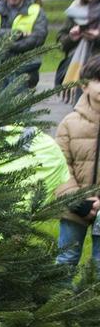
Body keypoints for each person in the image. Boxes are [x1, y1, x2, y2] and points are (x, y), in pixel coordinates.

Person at [54, 56, 100, 274]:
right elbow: (60, 167)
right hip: (74, 205)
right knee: (66, 259)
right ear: (84, 85)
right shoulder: (69, 124)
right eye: (98, 80)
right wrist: (76, 200)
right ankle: (60, 304)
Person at [0, 0, 48, 89]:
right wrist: (19, 34)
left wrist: (5, 44)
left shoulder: (36, 11)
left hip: (26, 70)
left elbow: (38, 38)